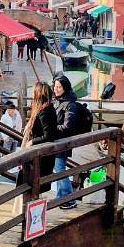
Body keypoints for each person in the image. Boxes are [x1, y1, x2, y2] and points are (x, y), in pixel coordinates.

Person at [18, 81, 58, 185]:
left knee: (30, 184)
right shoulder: (47, 109)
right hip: (41, 154)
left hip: (39, 155)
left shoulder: (44, 112)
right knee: (30, 184)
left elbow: (48, 135)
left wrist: (32, 142)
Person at [52, 75, 79, 210]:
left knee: (60, 170)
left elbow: (68, 126)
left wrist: (52, 128)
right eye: (55, 87)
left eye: (59, 87)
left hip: (64, 142)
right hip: (55, 142)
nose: (56, 90)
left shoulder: (70, 104)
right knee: (58, 169)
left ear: (65, 88)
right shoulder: (56, 101)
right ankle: (60, 197)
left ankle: (70, 198)